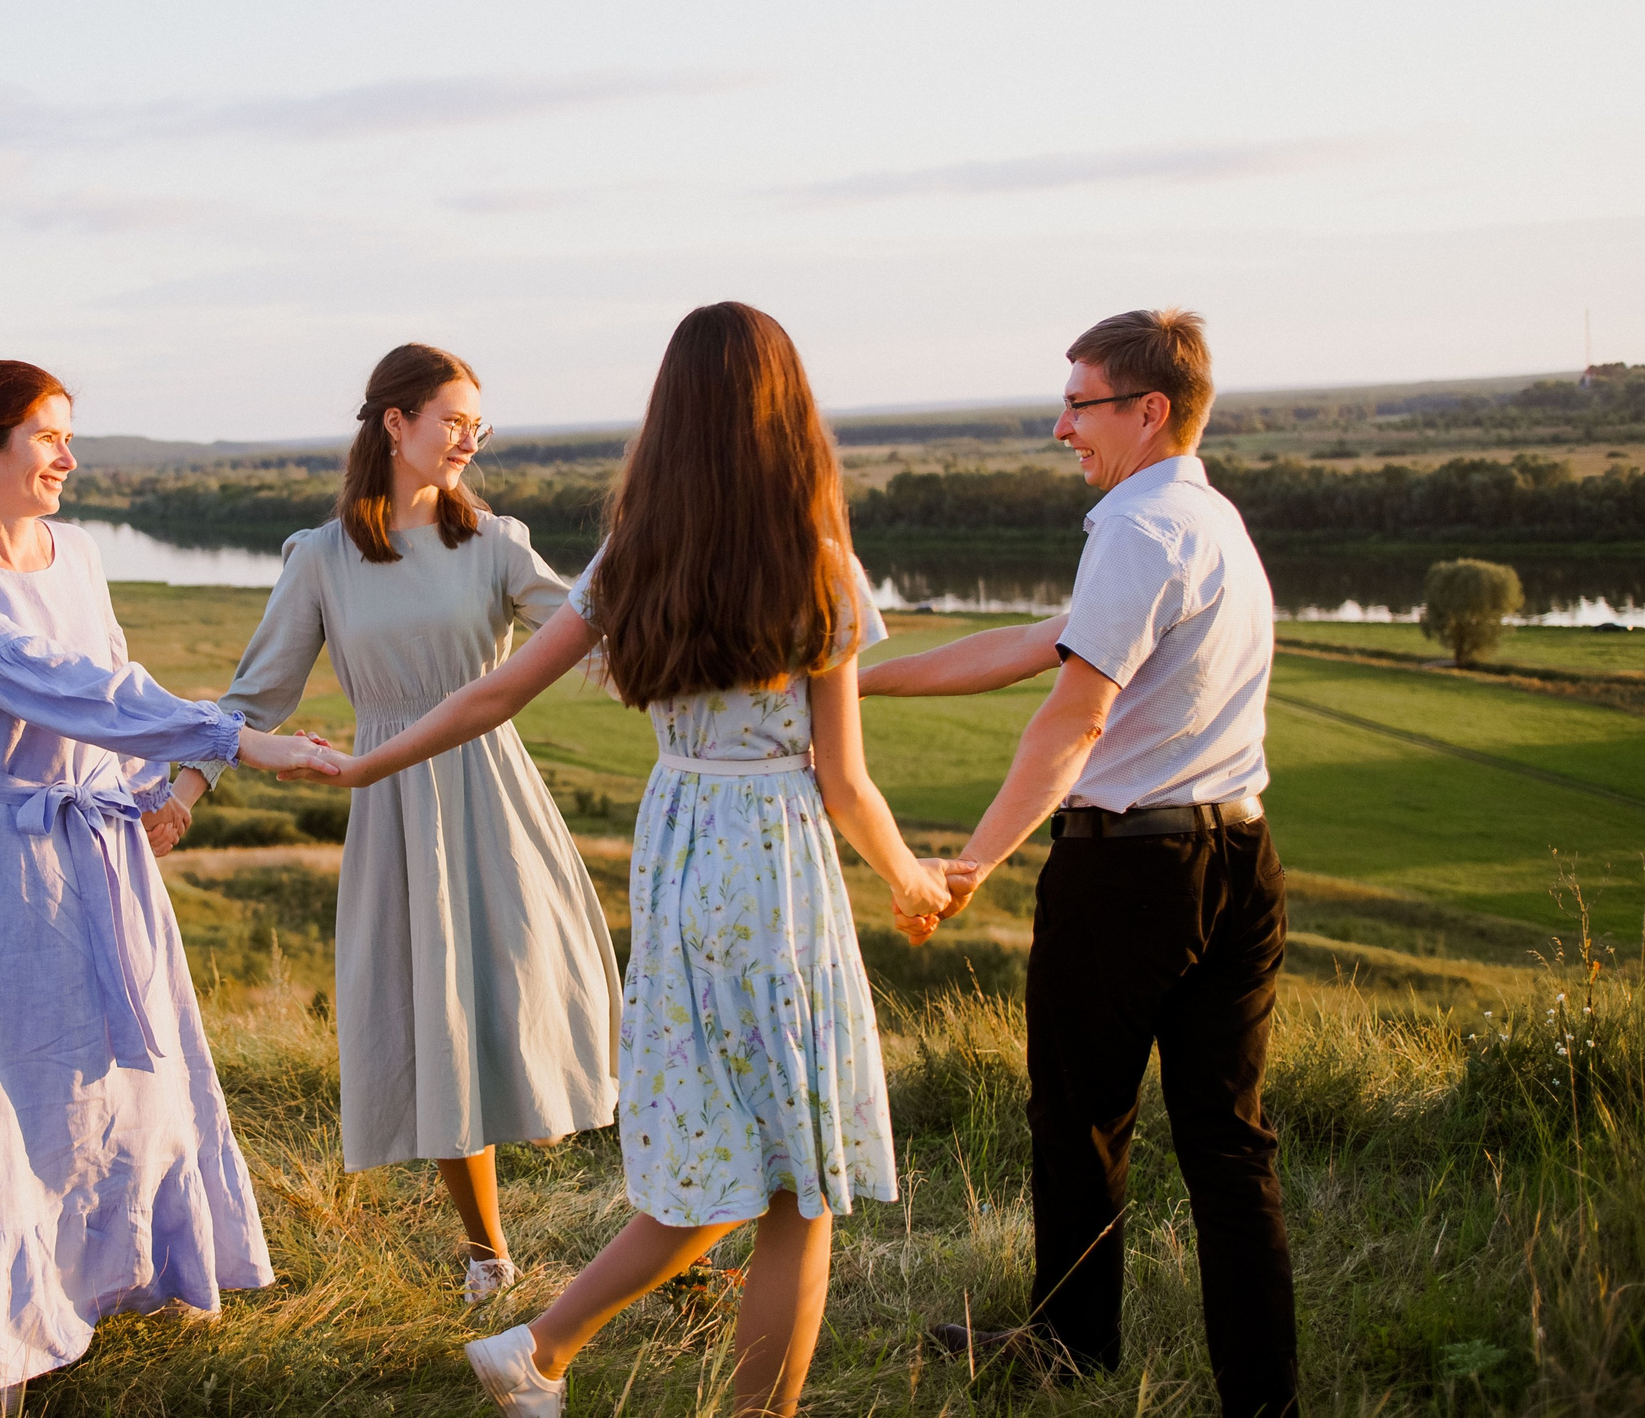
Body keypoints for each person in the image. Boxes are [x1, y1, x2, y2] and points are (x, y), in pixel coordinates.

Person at [310, 305, 953, 1417]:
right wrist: (910, 877)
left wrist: (371, 769)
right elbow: (844, 779)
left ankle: (537, 1352)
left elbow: (497, 691)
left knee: (731, 1155)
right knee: (796, 1186)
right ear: (788, 415)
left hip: (676, 849)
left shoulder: (632, 557)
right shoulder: (820, 566)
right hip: (775, 864)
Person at [0, 359, 341, 1417]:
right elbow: (65, 687)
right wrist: (239, 742)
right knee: (3, 1102)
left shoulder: (77, 551)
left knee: (122, 1082)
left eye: (68, 435)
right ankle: (2, 1349)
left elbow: (112, 667)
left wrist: (153, 794)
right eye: (46, 436)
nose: (68, 458)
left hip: (95, 847)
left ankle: (137, 1274)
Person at [868, 309, 1297, 1418]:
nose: (1061, 426)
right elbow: (1029, 645)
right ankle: (1264, 1396)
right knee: (1227, 1141)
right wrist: (849, 681)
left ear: (1147, 412)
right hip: (1240, 858)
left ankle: (1069, 1344)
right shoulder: (1206, 522)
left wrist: (969, 863)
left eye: (1080, 403)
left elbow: (1070, 720)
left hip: (1129, 876)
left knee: (1078, 1117)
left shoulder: (1136, 529)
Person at [169, 343, 621, 1301]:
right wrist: (182, 795)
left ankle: (662, 1217)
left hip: (493, 792)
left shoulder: (496, 542)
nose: (467, 439)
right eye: (451, 420)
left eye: (476, 425)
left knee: (548, 992)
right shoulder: (322, 557)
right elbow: (256, 697)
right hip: (393, 806)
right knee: (436, 1020)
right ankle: (488, 1253)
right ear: (394, 424)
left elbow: (596, 628)